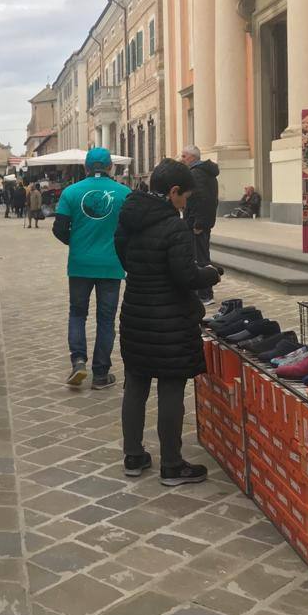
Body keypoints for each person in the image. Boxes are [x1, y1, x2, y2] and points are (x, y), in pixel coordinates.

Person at [115, 159, 222, 485]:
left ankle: (133, 455)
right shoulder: (174, 227)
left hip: (135, 311)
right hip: (169, 319)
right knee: (171, 387)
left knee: (135, 386)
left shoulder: (129, 216)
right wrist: (211, 274)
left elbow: (125, 257)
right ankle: (172, 465)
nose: (186, 203)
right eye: (185, 197)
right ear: (173, 192)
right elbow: (184, 275)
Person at [53, 148, 131, 390]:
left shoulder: (71, 192)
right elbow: (131, 230)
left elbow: (58, 228)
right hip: (111, 264)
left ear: (85, 168)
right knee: (106, 319)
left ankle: (78, 361)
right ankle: (101, 373)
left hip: (80, 263)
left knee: (77, 314)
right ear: (110, 168)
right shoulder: (125, 194)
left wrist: (75, 242)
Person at [180, 145, 220, 305]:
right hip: (197, 222)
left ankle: (205, 294)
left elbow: (203, 200)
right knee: (199, 257)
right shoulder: (201, 172)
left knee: (201, 258)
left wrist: (199, 223)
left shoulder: (197, 174)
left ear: (192, 158)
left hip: (197, 224)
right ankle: (201, 291)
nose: (182, 159)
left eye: (184, 156)